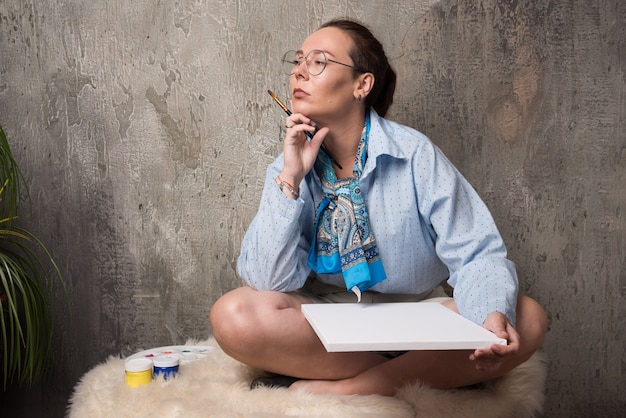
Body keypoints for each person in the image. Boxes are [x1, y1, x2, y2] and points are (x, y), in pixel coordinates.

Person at [210, 18, 547, 396]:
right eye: (298, 61)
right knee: (233, 315)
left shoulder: (415, 154)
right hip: (329, 320)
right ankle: (417, 374)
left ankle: (360, 385)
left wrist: (492, 317)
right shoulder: (289, 165)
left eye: (318, 61)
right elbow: (268, 283)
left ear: (362, 84)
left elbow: (477, 254)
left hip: (420, 317)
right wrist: (290, 178)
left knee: (528, 317)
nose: (300, 72)